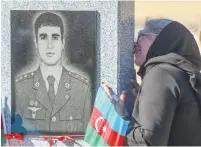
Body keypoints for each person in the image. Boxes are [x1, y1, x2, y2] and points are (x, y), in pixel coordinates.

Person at [103, 18, 201, 146]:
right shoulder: (179, 74)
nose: (135, 43)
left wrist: (120, 121)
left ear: (161, 40)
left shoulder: (160, 73)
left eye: (142, 35)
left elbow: (146, 142)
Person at [14, 12, 92, 134]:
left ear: (63, 43)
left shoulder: (81, 87)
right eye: (43, 37)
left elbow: (88, 136)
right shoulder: (22, 87)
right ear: (36, 43)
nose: (49, 45)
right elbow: (17, 132)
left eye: (55, 37)